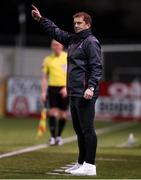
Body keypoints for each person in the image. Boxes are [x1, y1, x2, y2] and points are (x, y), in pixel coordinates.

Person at [31, 5, 102, 176]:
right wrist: (41, 19)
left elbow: (96, 67)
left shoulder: (91, 42)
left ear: (87, 25)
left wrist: (91, 87)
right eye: (75, 23)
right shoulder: (73, 39)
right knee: (79, 130)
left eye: (79, 23)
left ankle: (90, 165)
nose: (76, 25)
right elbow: (56, 31)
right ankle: (81, 162)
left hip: (85, 91)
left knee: (87, 129)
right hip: (75, 91)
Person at [41, 39, 68, 146]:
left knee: (63, 114)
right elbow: (44, 77)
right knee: (52, 112)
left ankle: (59, 136)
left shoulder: (67, 57)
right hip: (52, 88)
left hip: (64, 88)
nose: (55, 46)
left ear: (62, 46)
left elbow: (72, 75)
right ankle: (52, 137)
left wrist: (67, 87)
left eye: (57, 45)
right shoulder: (48, 59)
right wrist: (43, 92)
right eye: (53, 45)